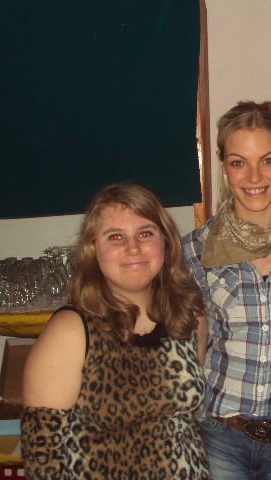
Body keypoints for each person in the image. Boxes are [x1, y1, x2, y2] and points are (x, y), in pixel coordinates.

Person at [21, 182, 210, 479]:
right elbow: (42, 454)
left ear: (165, 241)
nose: (133, 248)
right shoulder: (71, 330)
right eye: (115, 237)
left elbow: (189, 423)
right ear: (93, 248)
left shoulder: (188, 316)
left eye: (145, 233)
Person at [182, 101, 271, 479]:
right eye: (239, 162)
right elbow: (194, 344)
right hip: (220, 437)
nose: (254, 176)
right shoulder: (195, 249)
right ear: (222, 164)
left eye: (267, 160)